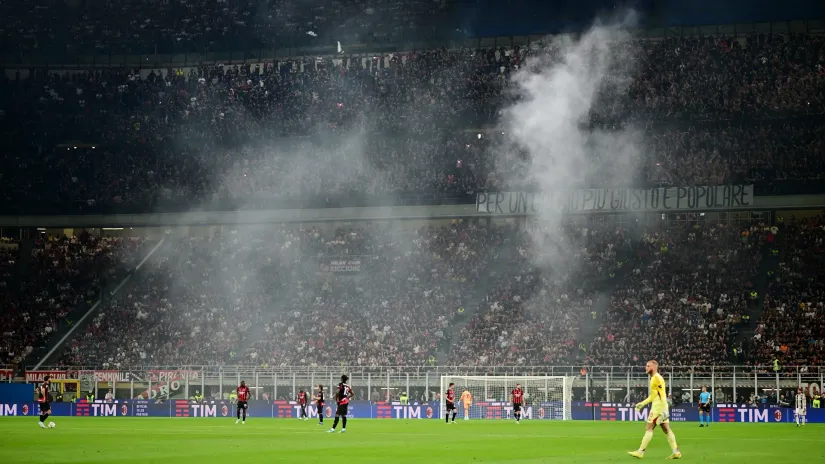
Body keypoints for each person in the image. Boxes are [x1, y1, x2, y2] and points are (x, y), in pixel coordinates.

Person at [628, 360, 682, 460]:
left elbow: (662, 394)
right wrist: (642, 404)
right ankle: (676, 452)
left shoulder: (656, 378)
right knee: (666, 430)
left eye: (648, 366)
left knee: (649, 428)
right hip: (660, 406)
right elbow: (653, 396)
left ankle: (640, 452)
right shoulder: (654, 378)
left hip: (658, 407)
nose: (646, 367)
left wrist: (663, 409)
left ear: (653, 368)